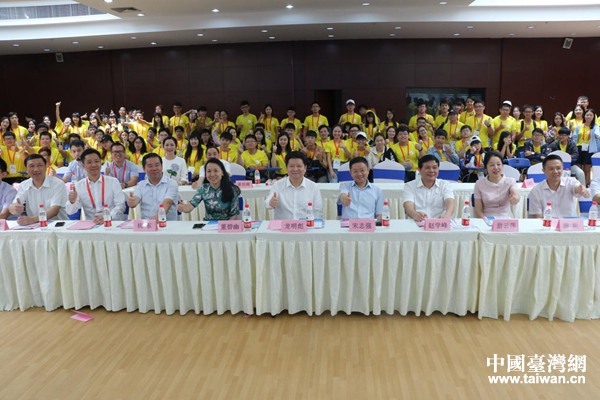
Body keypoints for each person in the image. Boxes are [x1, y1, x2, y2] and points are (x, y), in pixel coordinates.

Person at [66, 149, 126, 222]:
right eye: (89, 162)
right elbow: (70, 212)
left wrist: (107, 217)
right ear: (83, 166)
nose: (94, 165)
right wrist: (72, 202)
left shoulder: (113, 182)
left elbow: (121, 205)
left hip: (112, 222)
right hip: (92, 225)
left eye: (96, 161)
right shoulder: (79, 186)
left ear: (100, 163)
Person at [9, 154, 68, 224]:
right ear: (26, 169)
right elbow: (13, 206)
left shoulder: (58, 184)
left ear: (46, 167)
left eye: (39, 165)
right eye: (31, 166)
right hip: (35, 226)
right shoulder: (24, 185)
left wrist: (32, 219)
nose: (36, 169)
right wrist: (15, 208)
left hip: (58, 225)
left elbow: (54, 210)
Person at [265, 151, 323, 220]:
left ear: (305, 168)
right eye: (291, 166)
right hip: (283, 226)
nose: (295, 169)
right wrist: (271, 203)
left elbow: (318, 211)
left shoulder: (313, 187)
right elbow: (267, 204)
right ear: (286, 168)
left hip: (305, 226)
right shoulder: (278, 185)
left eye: (299, 166)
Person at [127, 153, 179, 221]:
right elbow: (136, 197)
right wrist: (133, 201)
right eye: (150, 166)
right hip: (147, 224)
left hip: (168, 224)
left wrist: (157, 218)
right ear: (144, 169)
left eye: (157, 165)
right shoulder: (141, 185)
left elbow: (167, 203)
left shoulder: (171, 183)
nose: (154, 169)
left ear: (162, 166)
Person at [403, 155, 455, 221]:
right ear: (419, 170)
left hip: (439, 222)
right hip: (417, 222)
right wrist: (415, 215)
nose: (431, 171)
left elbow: (450, 202)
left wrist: (447, 215)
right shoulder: (410, 186)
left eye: (434, 167)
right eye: (427, 168)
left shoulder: (445, 185)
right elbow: (408, 205)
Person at [474, 151, 520, 218]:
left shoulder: (510, 181)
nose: (496, 167)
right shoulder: (479, 184)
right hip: (487, 219)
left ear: (502, 165)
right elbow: (478, 211)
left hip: (506, 219)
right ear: (486, 167)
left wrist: (515, 197)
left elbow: (515, 193)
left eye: (498, 164)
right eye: (492, 165)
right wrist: (486, 221)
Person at [572, 108, 600, 186]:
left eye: (591, 115)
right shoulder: (579, 127)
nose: (589, 117)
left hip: (589, 149)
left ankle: (586, 185)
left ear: (593, 117)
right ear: (584, 116)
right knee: (579, 169)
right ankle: (578, 185)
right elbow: (574, 138)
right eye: (587, 115)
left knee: (587, 169)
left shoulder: (595, 127)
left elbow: (598, 135)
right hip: (579, 148)